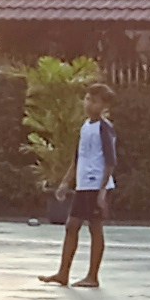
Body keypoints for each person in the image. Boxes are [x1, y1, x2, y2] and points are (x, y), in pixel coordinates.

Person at [46, 87, 117, 286]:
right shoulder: (85, 126)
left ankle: (92, 276)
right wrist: (66, 182)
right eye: (87, 99)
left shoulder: (105, 128)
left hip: (97, 184)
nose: (89, 104)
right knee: (71, 226)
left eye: (94, 101)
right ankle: (63, 273)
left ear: (104, 106)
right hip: (83, 184)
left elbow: (111, 161)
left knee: (94, 227)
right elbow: (78, 158)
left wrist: (103, 191)